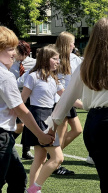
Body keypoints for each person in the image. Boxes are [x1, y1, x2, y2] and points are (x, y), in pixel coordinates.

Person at [0, 25, 54, 192]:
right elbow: (21, 110)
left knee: (15, 178)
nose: (14, 53)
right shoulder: (2, 75)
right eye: (10, 49)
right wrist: (41, 136)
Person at [45, 17, 108, 193]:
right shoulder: (83, 65)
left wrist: (50, 128)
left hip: (95, 126)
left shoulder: (85, 66)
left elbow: (66, 99)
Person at [21, 45, 82, 192]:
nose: (58, 62)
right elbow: (22, 101)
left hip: (49, 118)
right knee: (57, 158)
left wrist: (90, 104)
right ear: (45, 59)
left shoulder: (54, 79)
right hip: (37, 117)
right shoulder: (32, 76)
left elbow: (68, 98)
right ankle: (34, 188)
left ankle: (33, 189)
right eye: (55, 59)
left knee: (40, 158)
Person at [54, 31, 83, 175]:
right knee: (61, 133)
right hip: (61, 99)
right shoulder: (56, 58)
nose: (74, 45)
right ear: (67, 44)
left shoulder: (74, 58)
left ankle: (53, 156)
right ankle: (55, 164)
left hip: (69, 98)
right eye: (72, 42)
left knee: (77, 129)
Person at [10, 40, 36, 160]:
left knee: (29, 125)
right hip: (14, 97)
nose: (21, 57)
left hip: (30, 97)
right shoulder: (10, 63)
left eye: (24, 54)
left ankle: (26, 150)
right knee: (20, 125)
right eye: (19, 53)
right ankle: (7, 143)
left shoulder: (33, 63)